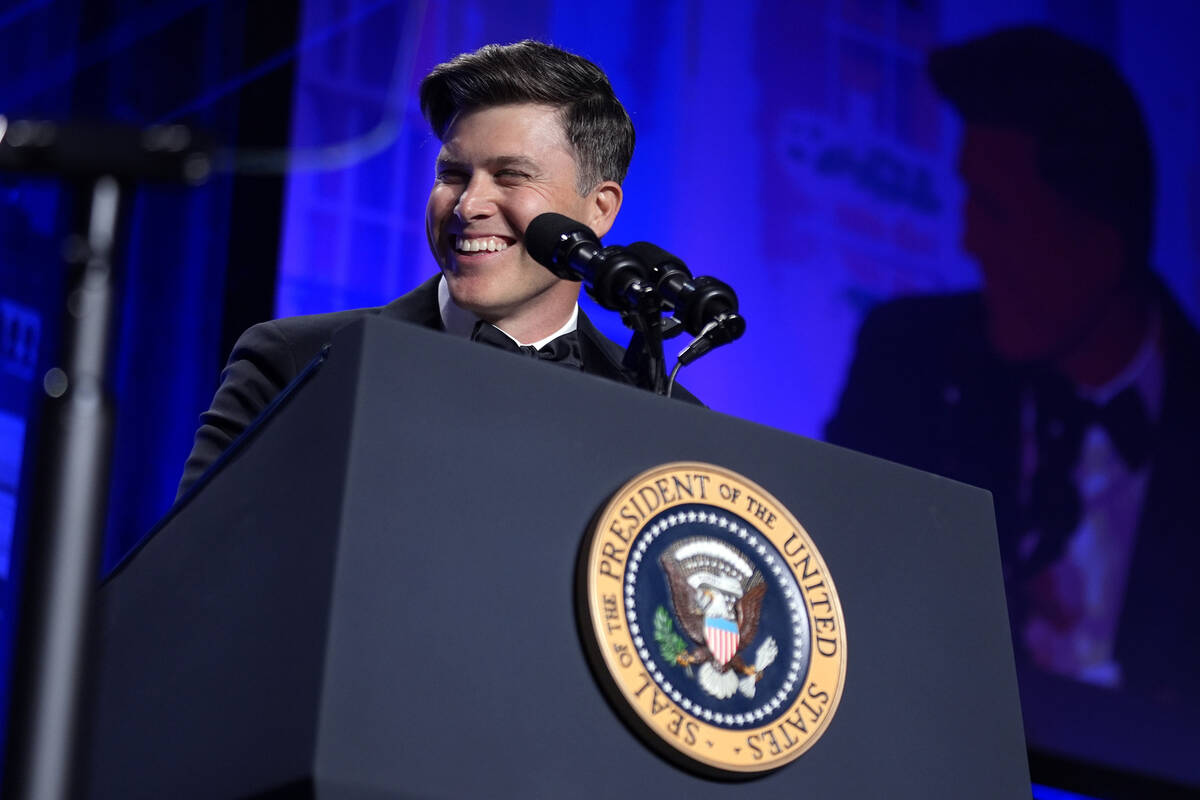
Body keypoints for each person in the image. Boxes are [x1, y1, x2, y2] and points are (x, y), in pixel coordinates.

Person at [824, 26, 1200, 709]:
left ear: (1101, 238)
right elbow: (835, 589)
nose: (970, 240)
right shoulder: (909, 358)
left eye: (996, 210)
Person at [177, 40, 700, 497]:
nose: (469, 204)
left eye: (511, 176)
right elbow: (193, 569)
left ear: (600, 209)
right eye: (452, 174)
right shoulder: (294, 362)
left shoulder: (670, 414)